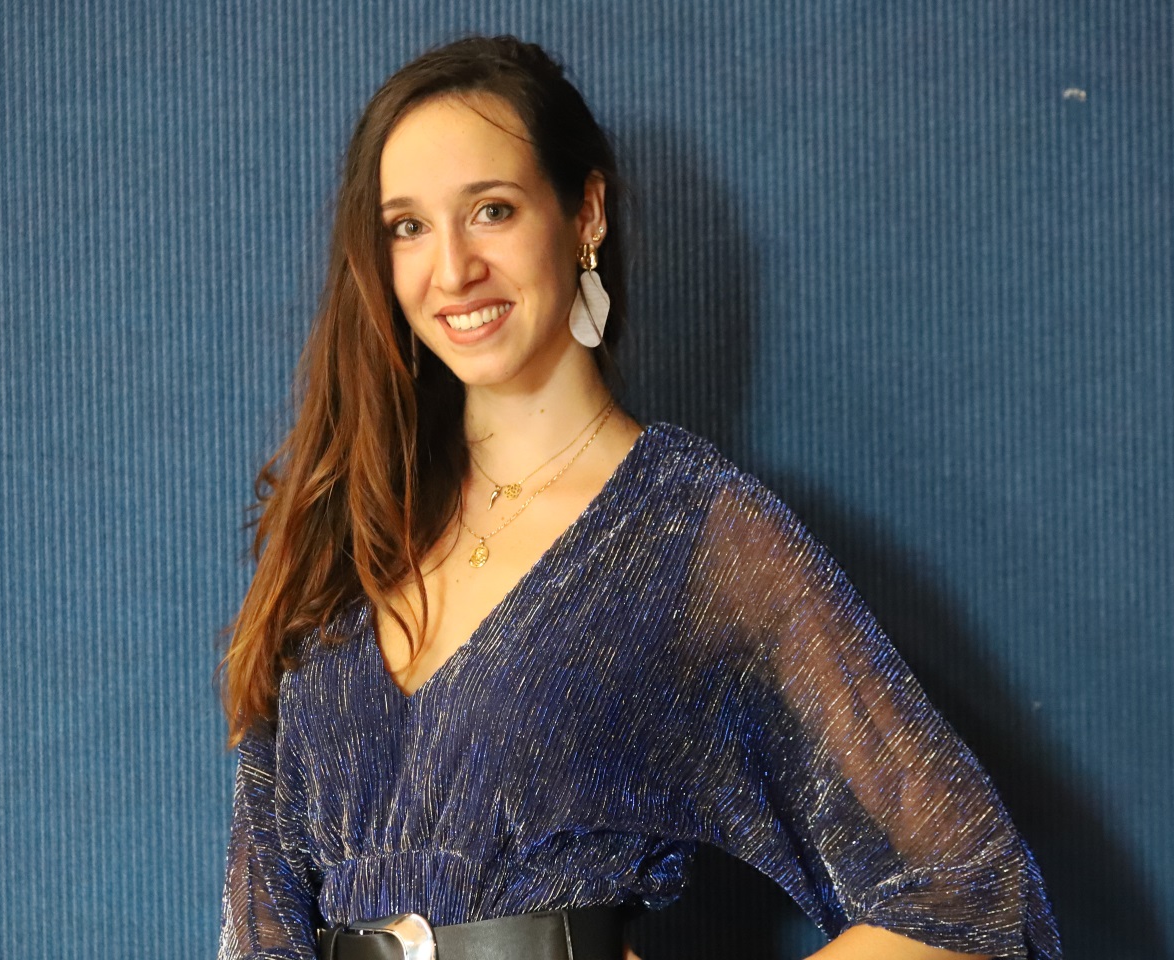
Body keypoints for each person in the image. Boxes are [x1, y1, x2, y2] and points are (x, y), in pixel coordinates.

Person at [217, 35, 1060, 960]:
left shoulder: (691, 530)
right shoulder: (343, 526)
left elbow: (971, 892)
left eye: (492, 211)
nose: (451, 270)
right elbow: (261, 911)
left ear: (584, 213)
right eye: (407, 227)